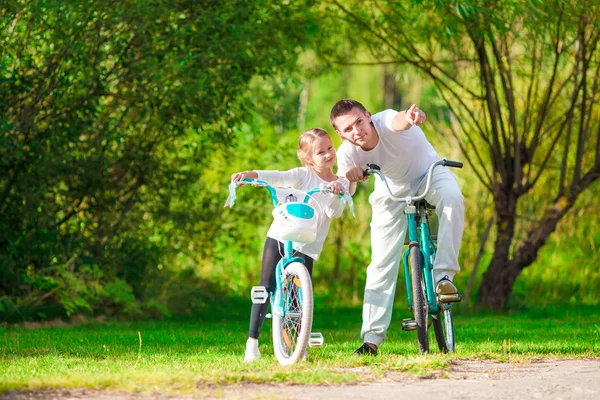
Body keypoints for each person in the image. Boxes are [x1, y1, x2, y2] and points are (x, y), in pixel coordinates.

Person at [330, 99, 464, 356]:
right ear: (340, 134)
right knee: (380, 262)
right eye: (347, 129)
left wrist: (411, 116)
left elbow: (399, 120)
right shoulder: (347, 153)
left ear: (368, 116)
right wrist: (348, 177)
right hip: (390, 191)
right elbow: (347, 182)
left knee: (453, 199)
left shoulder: (387, 121)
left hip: (430, 174)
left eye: (359, 121)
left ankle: (443, 278)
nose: (356, 131)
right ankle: (371, 340)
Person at [230, 128, 350, 362]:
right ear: (308, 158)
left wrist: (338, 192)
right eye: (320, 152)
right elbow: (275, 177)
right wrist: (249, 175)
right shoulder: (302, 175)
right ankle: (252, 343)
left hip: (308, 245)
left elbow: (333, 213)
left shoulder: (338, 183)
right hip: (280, 235)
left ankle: (297, 347)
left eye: (330, 148)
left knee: (300, 298)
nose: (328, 154)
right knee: (265, 287)